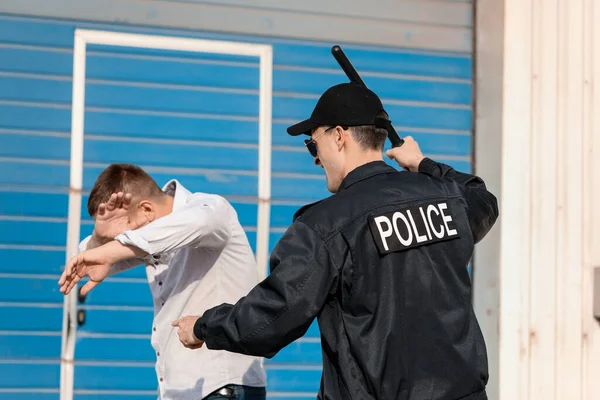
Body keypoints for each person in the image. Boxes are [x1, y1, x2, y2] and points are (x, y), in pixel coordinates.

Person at [172, 82, 499, 400]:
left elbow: (271, 318)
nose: (315, 158)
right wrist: (423, 164)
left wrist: (203, 326)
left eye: (313, 144)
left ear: (339, 136)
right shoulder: (446, 198)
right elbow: (483, 200)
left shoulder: (324, 225)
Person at [57, 164, 267, 400]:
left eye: (126, 237)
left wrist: (121, 245)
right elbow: (82, 261)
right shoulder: (146, 229)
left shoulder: (212, 210)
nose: (124, 244)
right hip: (178, 392)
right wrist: (99, 239)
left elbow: (197, 223)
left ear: (146, 209)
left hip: (222, 389)